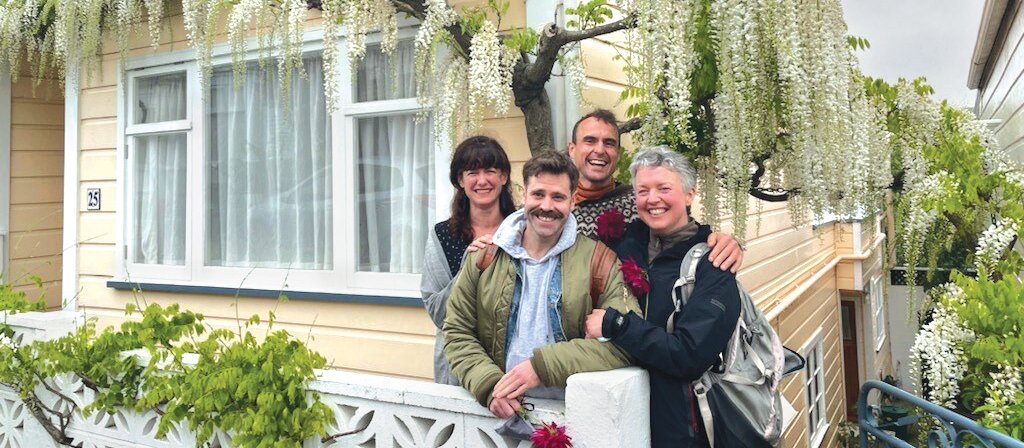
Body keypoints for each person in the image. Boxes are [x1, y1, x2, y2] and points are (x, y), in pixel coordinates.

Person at [443, 151, 641, 418]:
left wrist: (541, 366)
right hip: (499, 415)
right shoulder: (485, 256)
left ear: (572, 200)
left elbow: (628, 340)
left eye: (558, 197)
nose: (546, 206)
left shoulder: (600, 261)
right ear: (523, 194)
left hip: (572, 419)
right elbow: (457, 331)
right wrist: (488, 384)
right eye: (538, 194)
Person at [584, 146, 741, 448]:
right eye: (643, 190)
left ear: (690, 194)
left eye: (664, 188)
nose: (652, 199)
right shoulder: (625, 248)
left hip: (682, 430)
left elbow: (689, 355)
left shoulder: (714, 266)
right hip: (623, 422)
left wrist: (617, 325)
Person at [567, 109, 744, 272]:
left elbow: (683, 232)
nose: (599, 150)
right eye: (590, 141)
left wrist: (724, 242)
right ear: (572, 149)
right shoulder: (557, 206)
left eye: (609, 143)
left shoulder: (639, 201)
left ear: (618, 153)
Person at [421, 136, 517, 385]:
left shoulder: (523, 231)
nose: (482, 180)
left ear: (504, 177)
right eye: (472, 172)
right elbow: (439, 314)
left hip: (513, 366)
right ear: (460, 181)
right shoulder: (443, 236)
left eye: (491, 171)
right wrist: (469, 267)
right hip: (458, 369)